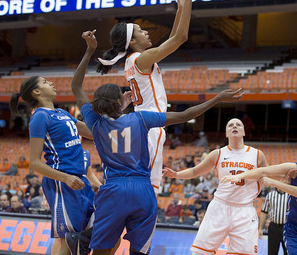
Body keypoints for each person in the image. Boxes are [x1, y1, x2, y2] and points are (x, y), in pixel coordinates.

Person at [70, 30, 243, 255]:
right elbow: (184, 115)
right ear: (120, 101)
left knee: (102, 251)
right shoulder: (141, 118)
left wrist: (89, 51)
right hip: (143, 189)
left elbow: (76, 87)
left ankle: (82, 239)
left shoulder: (95, 122)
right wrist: (217, 99)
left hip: (113, 188)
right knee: (139, 251)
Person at [96, 0, 201, 194]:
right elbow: (180, 38)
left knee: (143, 184)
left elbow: (173, 39)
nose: (146, 32)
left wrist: (181, 6)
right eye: (141, 31)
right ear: (132, 41)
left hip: (142, 124)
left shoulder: (132, 61)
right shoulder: (142, 59)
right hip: (151, 127)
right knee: (149, 190)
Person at [9, 76, 95, 255]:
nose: (51, 83)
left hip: (79, 179)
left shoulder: (62, 113)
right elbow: (34, 163)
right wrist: (65, 178)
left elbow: (94, 133)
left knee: (84, 236)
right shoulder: (40, 117)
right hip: (63, 180)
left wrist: (117, 114)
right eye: (45, 82)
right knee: (72, 239)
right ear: (36, 92)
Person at [163, 118, 268, 255]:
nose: (234, 126)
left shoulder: (257, 155)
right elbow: (195, 171)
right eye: (230, 125)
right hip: (220, 207)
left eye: (238, 125)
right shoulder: (218, 154)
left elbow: (267, 176)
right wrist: (176, 174)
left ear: (243, 132)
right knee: (200, 253)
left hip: (244, 210)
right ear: (226, 133)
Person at [221, 162, 297, 255]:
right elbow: (263, 171)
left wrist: (274, 182)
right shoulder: (293, 167)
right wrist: (240, 176)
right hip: (290, 227)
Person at [259, 187, 288, 255]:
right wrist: (260, 228)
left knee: (288, 252)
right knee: (272, 252)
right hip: (274, 227)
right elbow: (264, 212)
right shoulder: (270, 195)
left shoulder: (290, 195)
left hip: (287, 228)